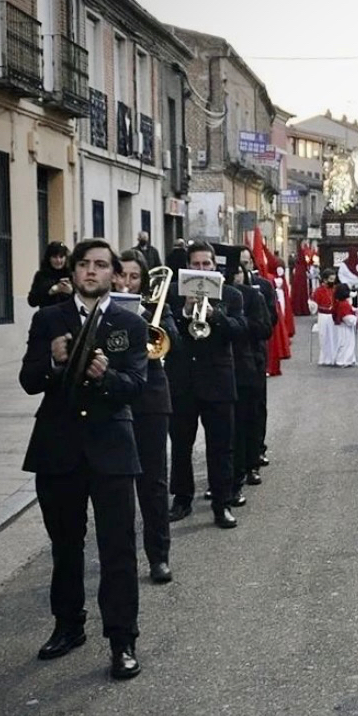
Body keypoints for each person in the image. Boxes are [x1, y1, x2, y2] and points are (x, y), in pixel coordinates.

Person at [20, 238, 147, 680]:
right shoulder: (48, 319)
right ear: (73, 272)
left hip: (111, 449)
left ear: (114, 274)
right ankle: (68, 625)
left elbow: (136, 385)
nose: (92, 271)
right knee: (65, 545)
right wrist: (53, 364)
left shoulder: (129, 323)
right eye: (84, 264)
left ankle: (122, 639)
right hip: (58, 448)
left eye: (101, 265)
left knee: (118, 549)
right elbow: (28, 380)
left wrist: (106, 376)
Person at [165, 242, 246, 529]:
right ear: (187, 267)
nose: (201, 269)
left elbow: (240, 331)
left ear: (215, 266)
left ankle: (222, 504)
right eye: (195, 265)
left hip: (218, 381)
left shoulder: (231, 295)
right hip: (182, 381)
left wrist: (215, 315)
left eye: (206, 264)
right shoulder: (173, 294)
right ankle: (182, 499)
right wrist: (185, 312)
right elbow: (164, 332)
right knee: (180, 445)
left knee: (221, 447)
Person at [117, 251, 179, 584]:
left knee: (154, 483)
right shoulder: (104, 309)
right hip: (115, 401)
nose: (127, 282)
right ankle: (122, 561)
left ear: (143, 281)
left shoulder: (158, 307)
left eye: (134, 277)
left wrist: (144, 316)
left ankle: (159, 557)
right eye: (122, 276)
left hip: (152, 401)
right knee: (118, 487)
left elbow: (173, 341)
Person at [230, 261, 272, 506]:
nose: (235, 275)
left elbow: (266, 326)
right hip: (224, 367)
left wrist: (239, 322)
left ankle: (252, 464)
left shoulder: (255, 294)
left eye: (239, 270)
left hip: (250, 362)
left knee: (251, 416)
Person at [28, 241, 74, 309]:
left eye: (61, 257)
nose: (58, 260)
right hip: (47, 313)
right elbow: (32, 301)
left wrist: (71, 292)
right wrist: (51, 291)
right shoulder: (42, 275)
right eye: (54, 257)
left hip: (68, 314)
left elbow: (84, 299)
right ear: (49, 258)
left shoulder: (72, 275)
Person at [311, 268, 338, 365]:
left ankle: (334, 357)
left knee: (334, 337)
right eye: (331, 279)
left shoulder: (335, 289)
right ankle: (325, 358)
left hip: (333, 316)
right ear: (325, 279)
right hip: (323, 315)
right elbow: (314, 305)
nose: (333, 281)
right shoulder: (318, 291)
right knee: (324, 337)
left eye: (334, 279)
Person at [328, 282, 358, 367]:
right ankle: (344, 360)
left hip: (340, 326)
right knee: (346, 343)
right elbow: (347, 318)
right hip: (345, 327)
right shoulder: (344, 304)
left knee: (341, 343)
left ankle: (344, 359)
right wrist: (356, 318)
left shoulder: (338, 302)